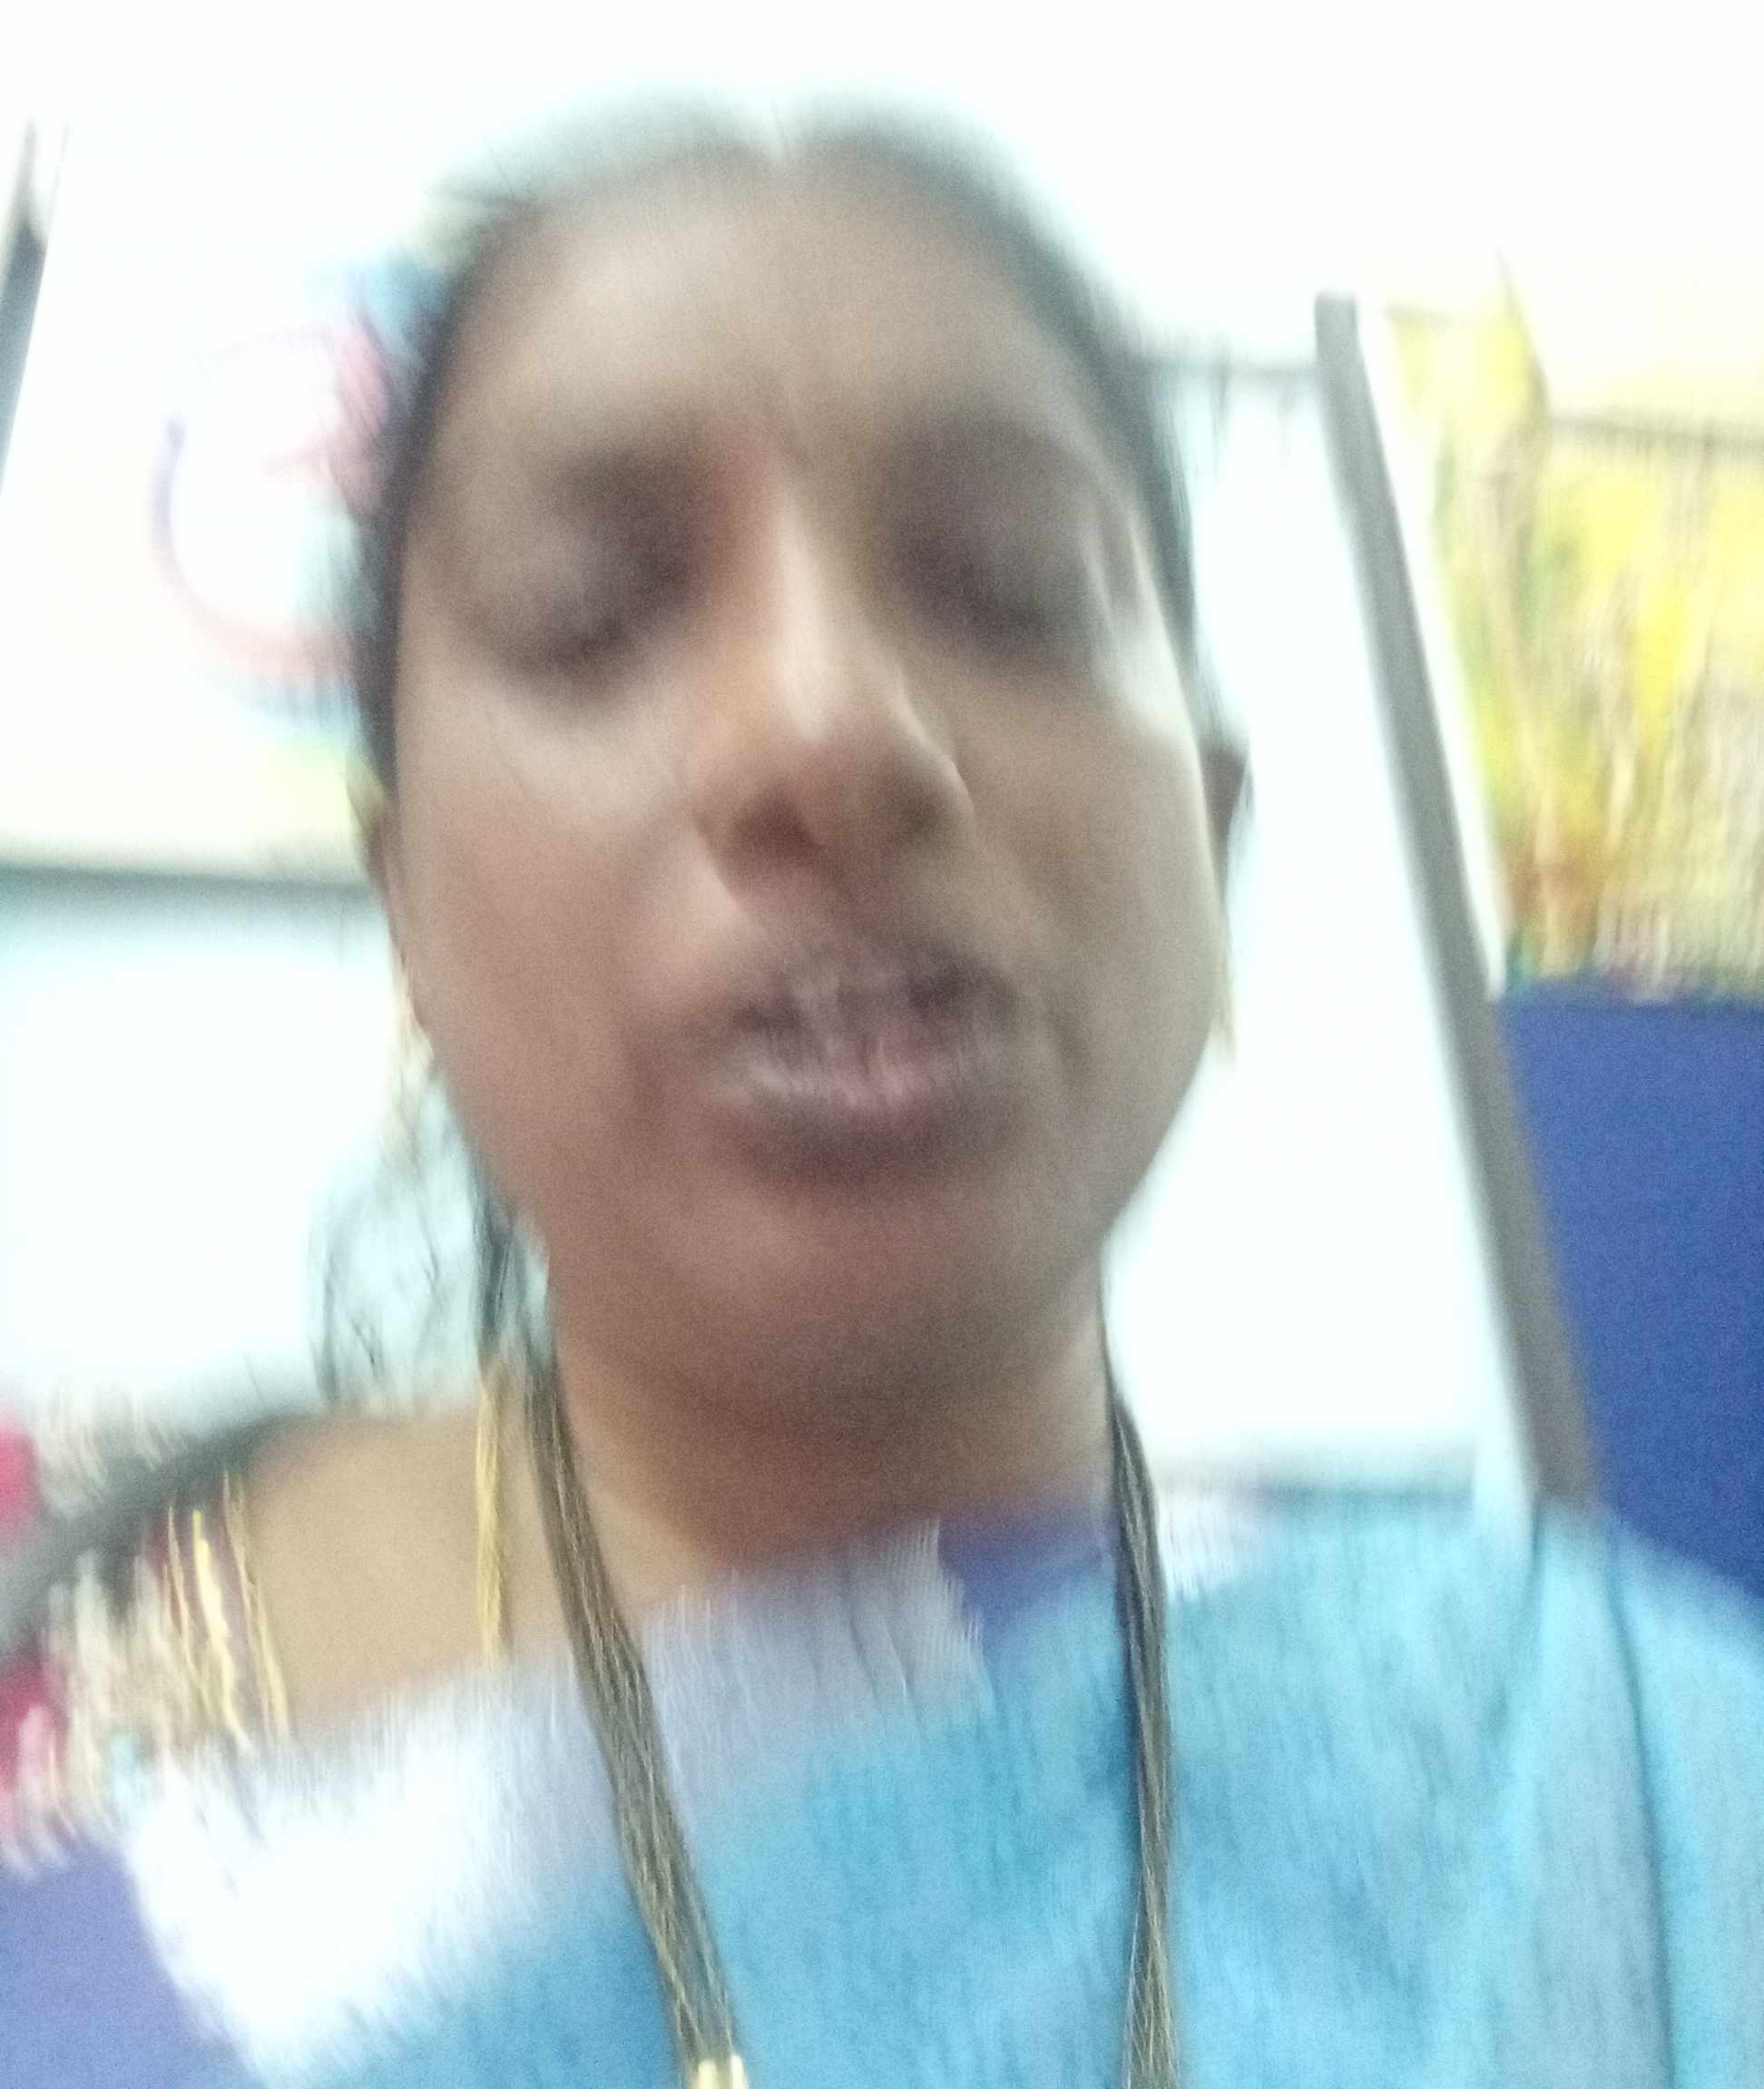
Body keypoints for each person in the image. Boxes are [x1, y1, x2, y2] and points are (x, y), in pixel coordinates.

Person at [2, 112, 1761, 2089]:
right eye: (593, 612)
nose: (829, 728)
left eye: (1009, 590)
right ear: (401, 898)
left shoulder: (1628, 1795)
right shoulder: (70, 1683)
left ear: (1212, 841)